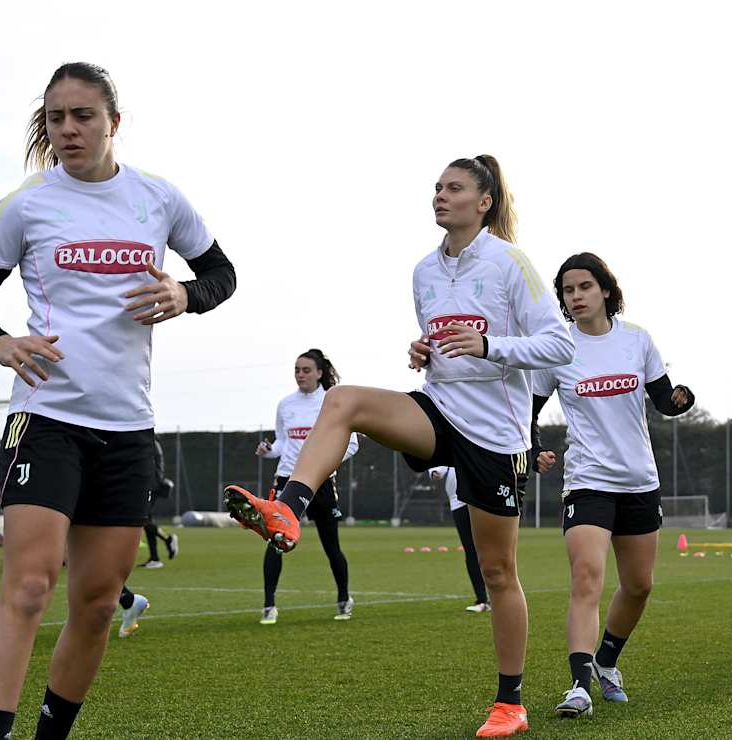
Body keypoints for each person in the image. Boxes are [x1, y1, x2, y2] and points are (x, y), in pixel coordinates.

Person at [223, 155, 572, 737]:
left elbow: (558, 345)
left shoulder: (512, 262)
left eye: (454, 188)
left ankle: (510, 703)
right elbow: (442, 344)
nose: (440, 195)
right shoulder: (422, 272)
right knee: (345, 401)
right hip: (439, 410)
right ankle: (288, 508)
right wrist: (425, 351)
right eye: (437, 187)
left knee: (498, 572)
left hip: (496, 435)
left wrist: (490, 347)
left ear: (483, 201)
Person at [0, 62, 235, 739]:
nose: (68, 130)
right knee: (27, 588)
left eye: (82, 116)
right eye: (56, 118)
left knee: (100, 603)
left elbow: (221, 274)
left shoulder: (158, 199)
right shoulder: (27, 204)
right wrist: (0, 343)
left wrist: (183, 295)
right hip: (45, 417)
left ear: (114, 122)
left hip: (127, 429)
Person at [528, 253, 695, 718]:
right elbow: (528, 412)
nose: (575, 296)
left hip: (639, 481)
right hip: (587, 481)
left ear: (605, 289)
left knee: (639, 586)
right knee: (586, 578)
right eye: (567, 290)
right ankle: (579, 687)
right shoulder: (557, 348)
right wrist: (535, 447)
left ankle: (606, 662)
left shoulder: (636, 340)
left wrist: (682, 399)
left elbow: (665, 400)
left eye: (584, 287)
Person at [255, 349, 359, 623]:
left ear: (320, 373)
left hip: (320, 482)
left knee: (331, 545)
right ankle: (268, 606)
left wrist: (324, 464)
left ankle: (343, 599)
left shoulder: (331, 401)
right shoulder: (286, 404)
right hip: (287, 480)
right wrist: (268, 450)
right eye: (297, 370)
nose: (300, 375)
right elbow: (281, 442)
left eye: (306, 370)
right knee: (275, 541)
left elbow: (352, 444)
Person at [430, 466, 491, 613]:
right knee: (471, 551)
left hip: (478, 500)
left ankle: (497, 596)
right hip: (458, 503)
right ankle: (483, 600)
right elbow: (439, 465)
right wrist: (434, 472)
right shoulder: (451, 445)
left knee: (488, 549)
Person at [139, 438, 178, 568]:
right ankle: (154, 558)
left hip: (150, 486)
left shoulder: (149, 443)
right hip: (152, 485)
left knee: (142, 519)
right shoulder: (153, 443)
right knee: (146, 520)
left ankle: (168, 539)